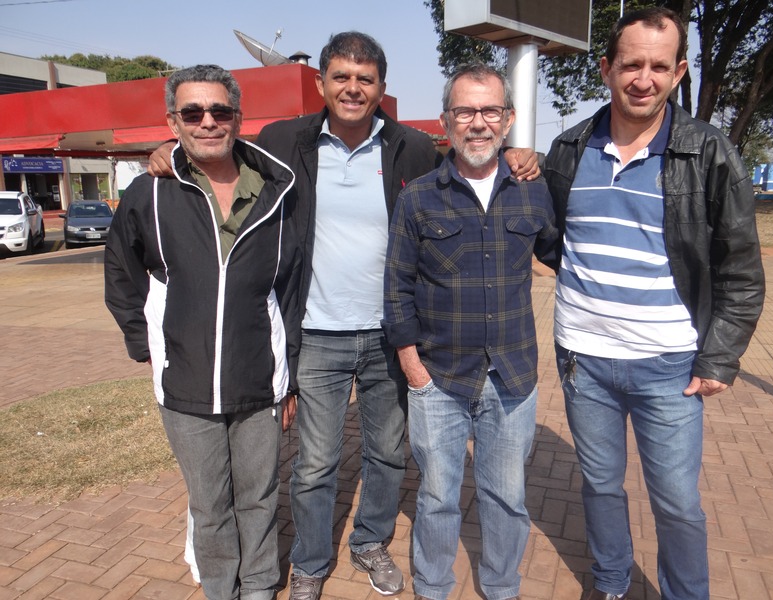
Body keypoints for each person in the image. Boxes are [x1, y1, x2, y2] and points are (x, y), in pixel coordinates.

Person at [148, 32, 540, 600]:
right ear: (321, 83)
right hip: (316, 330)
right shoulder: (285, 140)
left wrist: (519, 154)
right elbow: (219, 151)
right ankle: (310, 560)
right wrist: (167, 149)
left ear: (381, 87)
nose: (353, 89)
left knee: (385, 452)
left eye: (366, 79)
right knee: (314, 462)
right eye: (341, 77)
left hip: (392, 333)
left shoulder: (407, 146)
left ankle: (370, 542)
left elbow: (467, 163)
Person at [543, 8, 765, 600]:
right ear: (607, 68)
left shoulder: (709, 152)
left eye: (658, 65)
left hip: (669, 365)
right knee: (600, 485)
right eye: (631, 63)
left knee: (677, 504)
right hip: (582, 360)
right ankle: (611, 583)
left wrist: (718, 359)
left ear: (679, 70)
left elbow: (742, 271)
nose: (644, 77)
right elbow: (551, 241)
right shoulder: (568, 149)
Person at [105, 64, 301, 600]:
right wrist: (143, 344)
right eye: (193, 112)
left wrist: (292, 377)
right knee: (209, 502)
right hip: (185, 382)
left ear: (238, 118)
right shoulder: (150, 192)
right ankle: (222, 588)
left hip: (258, 378)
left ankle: (259, 586)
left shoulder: (278, 193)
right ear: (174, 121)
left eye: (220, 111)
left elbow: (291, 288)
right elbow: (120, 268)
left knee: (259, 495)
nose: (208, 121)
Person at [383, 63, 560, 600]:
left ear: (507, 120)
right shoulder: (418, 197)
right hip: (438, 377)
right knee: (437, 497)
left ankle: (501, 586)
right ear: (446, 120)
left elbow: (564, 258)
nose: (477, 123)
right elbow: (397, 290)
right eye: (465, 111)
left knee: (506, 497)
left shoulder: (533, 191)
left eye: (489, 111)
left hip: (512, 375)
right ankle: (433, 587)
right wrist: (415, 372)